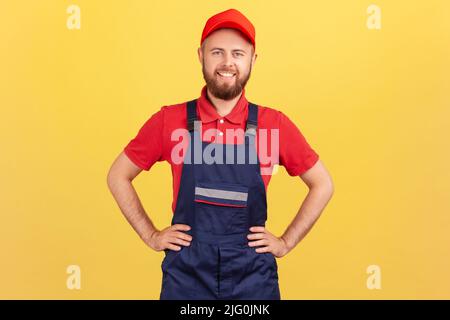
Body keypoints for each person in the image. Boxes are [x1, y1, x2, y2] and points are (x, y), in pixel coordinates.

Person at [107, 8, 334, 300]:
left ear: (253, 59)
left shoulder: (274, 124)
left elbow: (323, 184)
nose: (228, 63)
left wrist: (286, 242)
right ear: (201, 55)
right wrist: (150, 235)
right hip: (187, 275)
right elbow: (118, 175)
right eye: (217, 52)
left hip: (253, 276)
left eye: (238, 53)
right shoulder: (169, 120)